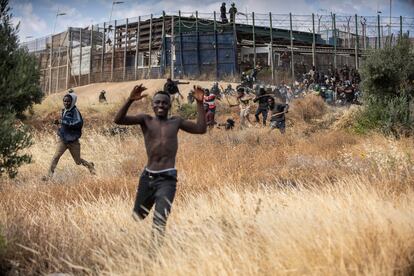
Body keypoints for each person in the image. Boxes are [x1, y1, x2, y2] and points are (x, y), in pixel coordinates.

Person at [114, 84, 206, 241]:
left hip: (168, 179)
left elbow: (200, 128)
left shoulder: (175, 122)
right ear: (152, 105)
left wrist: (199, 103)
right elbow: (118, 120)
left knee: (160, 219)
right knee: (138, 216)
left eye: (164, 103)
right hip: (148, 177)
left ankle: (154, 254)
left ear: (170, 105)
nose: (161, 105)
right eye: (157, 102)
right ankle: (133, 234)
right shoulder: (146, 120)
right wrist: (130, 100)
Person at [43, 91, 95, 180]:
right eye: (64, 101)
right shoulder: (64, 110)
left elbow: (78, 123)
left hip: (73, 141)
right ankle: (49, 176)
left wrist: (63, 122)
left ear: (73, 101)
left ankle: (90, 166)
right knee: (56, 157)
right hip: (63, 140)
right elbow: (65, 124)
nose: (66, 103)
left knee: (78, 161)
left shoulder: (75, 111)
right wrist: (59, 124)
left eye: (68, 101)